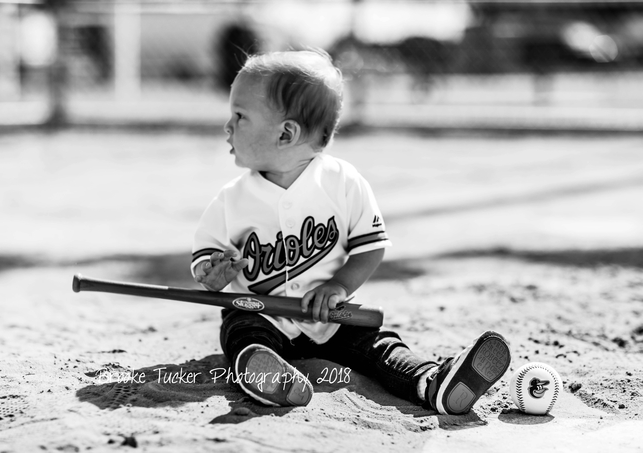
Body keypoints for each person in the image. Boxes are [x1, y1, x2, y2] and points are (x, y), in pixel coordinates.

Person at [191, 49, 511, 414]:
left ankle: (432, 382)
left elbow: (370, 247)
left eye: (240, 116)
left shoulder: (343, 183)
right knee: (240, 333)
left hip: (330, 319)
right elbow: (205, 260)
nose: (227, 126)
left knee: (380, 347)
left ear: (286, 133)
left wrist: (338, 286)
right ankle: (269, 375)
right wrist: (212, 274)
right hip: (260, 313)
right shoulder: (231, 200)